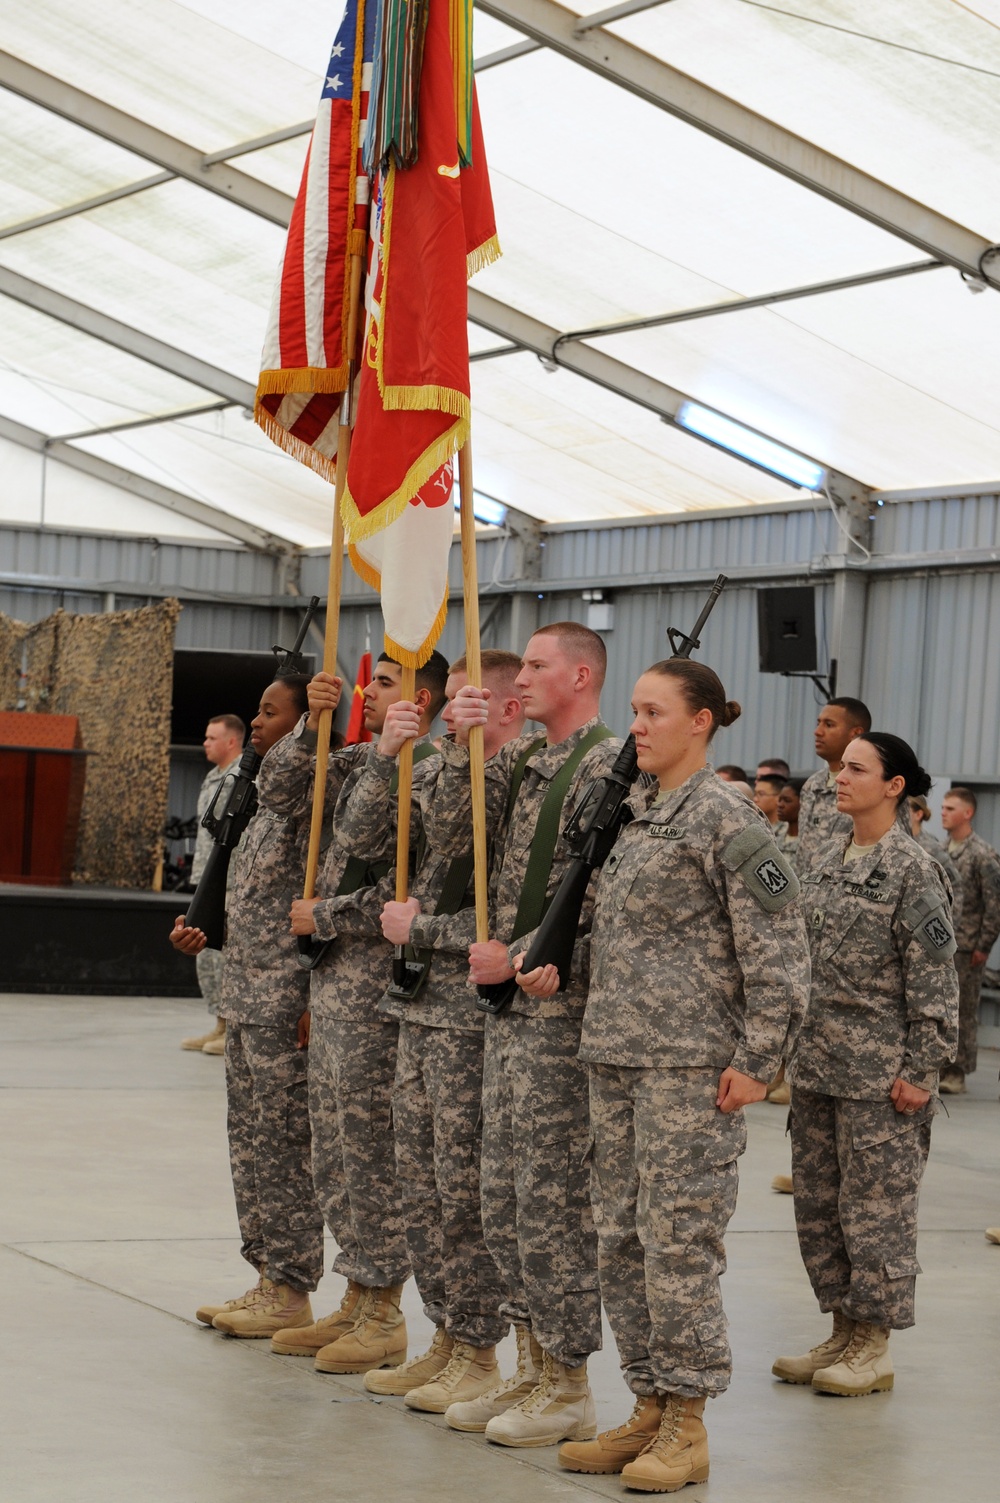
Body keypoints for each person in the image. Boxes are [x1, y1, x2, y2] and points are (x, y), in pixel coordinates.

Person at [516, 658, 807, 1491]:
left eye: (652, 712)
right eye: (635, 711)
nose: (637, 725)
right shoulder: (634, 816)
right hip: (614, 1057)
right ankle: (646, 1401)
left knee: (679, 1242)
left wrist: (759, 1061)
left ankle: (688, 1421)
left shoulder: (729, 818)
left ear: (701, 723)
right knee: (622, 1238)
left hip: (689, 1069)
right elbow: (606, 930)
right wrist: (552, 963)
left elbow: (784, 953)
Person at [433, 622, 625, 1448]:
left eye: (539, 665)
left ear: (579, 674)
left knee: (552, 1204)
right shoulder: (530, 762)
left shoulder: (608, 769)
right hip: (508, 1010)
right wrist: (459, 739)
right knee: (505, 1197)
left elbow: (600, 903)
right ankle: (531, 1360)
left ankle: (571, 1380)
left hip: (558, 1012)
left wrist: (521, 955)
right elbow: (449, 834)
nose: (525, 678)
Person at [331, 651, 525, 1413]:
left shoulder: (518, 775)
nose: (450, 716)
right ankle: (448, 1335)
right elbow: (362, 840)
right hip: (418, 1001)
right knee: (422, 1182)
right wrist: (389, 754)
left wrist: (455, 750)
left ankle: (477, 1343)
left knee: (463, 1186)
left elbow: (496, 885)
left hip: (467, 1009)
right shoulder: (446, 762)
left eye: (465, 707)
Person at [262, 652, 449, 1372]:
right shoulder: (363, 759)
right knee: (335, 1146)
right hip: (334, 979)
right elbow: (282, 792)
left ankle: (384, 1305)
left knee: (371, 1150)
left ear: (423, 699)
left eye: (390, 683)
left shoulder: (426, 769)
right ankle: (357, 1291)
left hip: (377, 983)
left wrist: (327, 914)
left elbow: (405, 889)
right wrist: (313, 718)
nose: (370, 692)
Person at [774, 733, 959, 1397]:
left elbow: (935, 978)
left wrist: (922, 1066)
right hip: (819, 1065)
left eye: (857, 768)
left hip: (882, 1076)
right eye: (841, 767)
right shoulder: (824, 853)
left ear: (894, 785)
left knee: (876, 1209)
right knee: (821, 1209)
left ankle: (873, 1345)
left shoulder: (914, 868)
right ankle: (842, 1327)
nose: (840, 778)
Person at [169, 677, 326, 1335]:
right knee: (250, 1144)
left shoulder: (306, 799)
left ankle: (291, 1285)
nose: (257, 724)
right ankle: (264, 1274)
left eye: (271, 712)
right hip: (244, 993)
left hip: (284, 998)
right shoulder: (255, 803)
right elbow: (255, 906)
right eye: (257, 712)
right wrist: (208, 929)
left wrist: (315, 722)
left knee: (284, 1144)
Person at [181, 713, 244, 1054]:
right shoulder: (214, 776)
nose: (205, 743)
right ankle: (219, 1023)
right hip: (209, 877)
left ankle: (231, 1029)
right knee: (207, 955)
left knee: (228, 955)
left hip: (231, 880)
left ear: (231, 741)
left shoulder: (240, 778)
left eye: (211, 738)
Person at [937, 788, 1000, 1093]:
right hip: (942, 944)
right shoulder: (942, 849)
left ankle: (957, 1072)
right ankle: (940, 1065)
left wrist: (984, 945)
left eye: (950, 808)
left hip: (968, 946)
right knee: (941, 1008)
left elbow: (994, 904)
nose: (943, 812)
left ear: (968, 813)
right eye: (943, 807)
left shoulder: (982, 854)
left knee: (963, 1009)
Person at [796, 698, 871, 873]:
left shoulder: (871, 785)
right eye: (818, 723)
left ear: (855, 733)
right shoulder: (812, 785)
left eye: (829, 725)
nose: (817, 732)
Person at [907, 796, 961, 911]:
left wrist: (949, 925)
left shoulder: (932, 848)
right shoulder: (895, 842)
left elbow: (954, 886)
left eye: (905, 810)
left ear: (918, 815)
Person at [776, 779, 803, 864]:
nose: (780, 805)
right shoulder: (774, 834)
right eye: (780, 800)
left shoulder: (811, 841)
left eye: (787, 800)